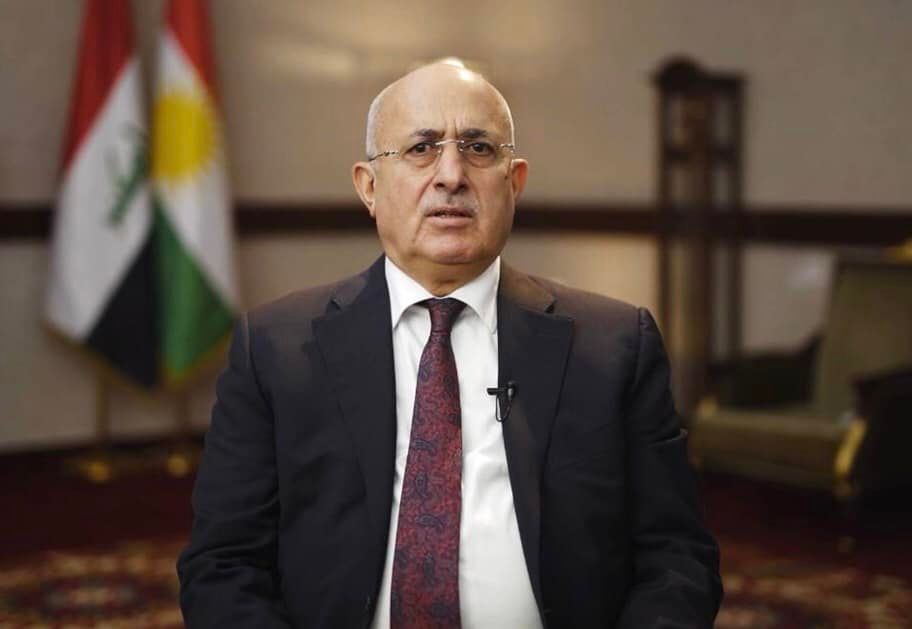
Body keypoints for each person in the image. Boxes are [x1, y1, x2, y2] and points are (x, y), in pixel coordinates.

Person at [178, 61, 722, 628]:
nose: (452, 175)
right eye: (421, 149)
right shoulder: (275, 349)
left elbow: (676, 558)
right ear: (369, 186)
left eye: (479, 149)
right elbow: (223, 565)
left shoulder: (613, 346)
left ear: (514, 183)